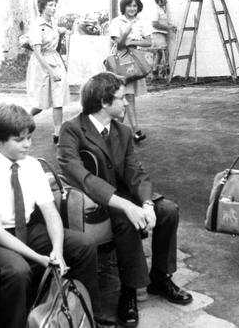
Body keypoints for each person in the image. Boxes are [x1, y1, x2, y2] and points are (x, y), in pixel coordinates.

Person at [58, 72, 193, 327]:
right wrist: (128, 206)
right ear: (104, 102)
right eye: (122, 98)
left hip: (127, 197)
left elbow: (136, 172)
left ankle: (161, 277)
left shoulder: (123, 130)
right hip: (94, 201)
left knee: (168, 210)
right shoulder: (72, 130)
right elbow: (82, 177)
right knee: (124, 218)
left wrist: (147, 204)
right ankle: (129, 291)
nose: (127, 103)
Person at [0, 104, 116, 328]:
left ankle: (84, 312)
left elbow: (50, 212)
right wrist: (40, 258)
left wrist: (57, 249)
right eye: (19, 140)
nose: (27, 144)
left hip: (24, 230)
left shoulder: (31, 165)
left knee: (83, 244)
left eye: (29, 138)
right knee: (18, 271)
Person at [26, 0, 70, 145]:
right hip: (42, 64)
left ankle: (57, 133)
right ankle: (24, 118)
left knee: (58, 98)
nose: (53, 8)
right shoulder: (36, 26)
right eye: (50, 5)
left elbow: (56, 37)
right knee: (41, 101)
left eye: (54, 5)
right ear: (42, 7)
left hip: (55, 59)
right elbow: (37, 53)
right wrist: (50, 71)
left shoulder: (54, 22)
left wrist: (63, 31)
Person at [109, 0, 152, 143]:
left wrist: (132, 41)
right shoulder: (116, 22)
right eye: (129, 5)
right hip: (121, 64)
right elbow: (119, 44)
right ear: (124, 7)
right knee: (123, 97)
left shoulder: (142, 22)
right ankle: (131, 131)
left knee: (127, 97)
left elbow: (149, 42)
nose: (132, 8)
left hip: (135, 64)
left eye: (135, 5)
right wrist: (126, 35)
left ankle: (120, 132)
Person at [151, 0, 176, 80]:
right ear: (159, 1)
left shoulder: (161, 10)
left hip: (161, 34)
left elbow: (163, 22)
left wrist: (170, 26)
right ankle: (166, 74)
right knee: (165, 53)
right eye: (164, 0)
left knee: (159, 54)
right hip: (157, 34)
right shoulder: (156, 10)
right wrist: (168, 28)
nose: (166, 2)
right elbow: (154, 24)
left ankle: (155, 74)